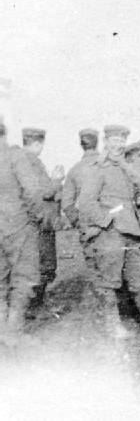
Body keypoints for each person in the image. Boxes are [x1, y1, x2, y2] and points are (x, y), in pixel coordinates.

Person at [78, 124, 140, 337]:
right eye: (114, 141)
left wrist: (139, 199)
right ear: (106, 142)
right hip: (110, 234)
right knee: (109, 281)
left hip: (132, 232)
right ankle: (113, 326)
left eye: (122, 141)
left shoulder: (126, 168)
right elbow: (86, 202)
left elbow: (137, 191)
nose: (119, 145)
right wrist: (106, 221)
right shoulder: (97, 169)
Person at [0, 122, 45, 343]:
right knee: (24, 278)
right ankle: (13, 332)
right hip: (17, 225)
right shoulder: (15, 157)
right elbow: (33, 191)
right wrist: (34, 217)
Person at [21, 128, 64, 308]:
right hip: (38, 224)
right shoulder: (30, 163)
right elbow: (43, 192)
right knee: (43, 264)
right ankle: (34, 304)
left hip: (36, 222)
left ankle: (35, 302)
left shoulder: (25, 162)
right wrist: (56, 180)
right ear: (38, 143)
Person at [62, 129, 100, 230]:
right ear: (97, 143)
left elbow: (66, 203)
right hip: (112, 225)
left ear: (81, 145)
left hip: (87, 225)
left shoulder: (74, 170)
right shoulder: (111, 165)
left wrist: (78, 222)